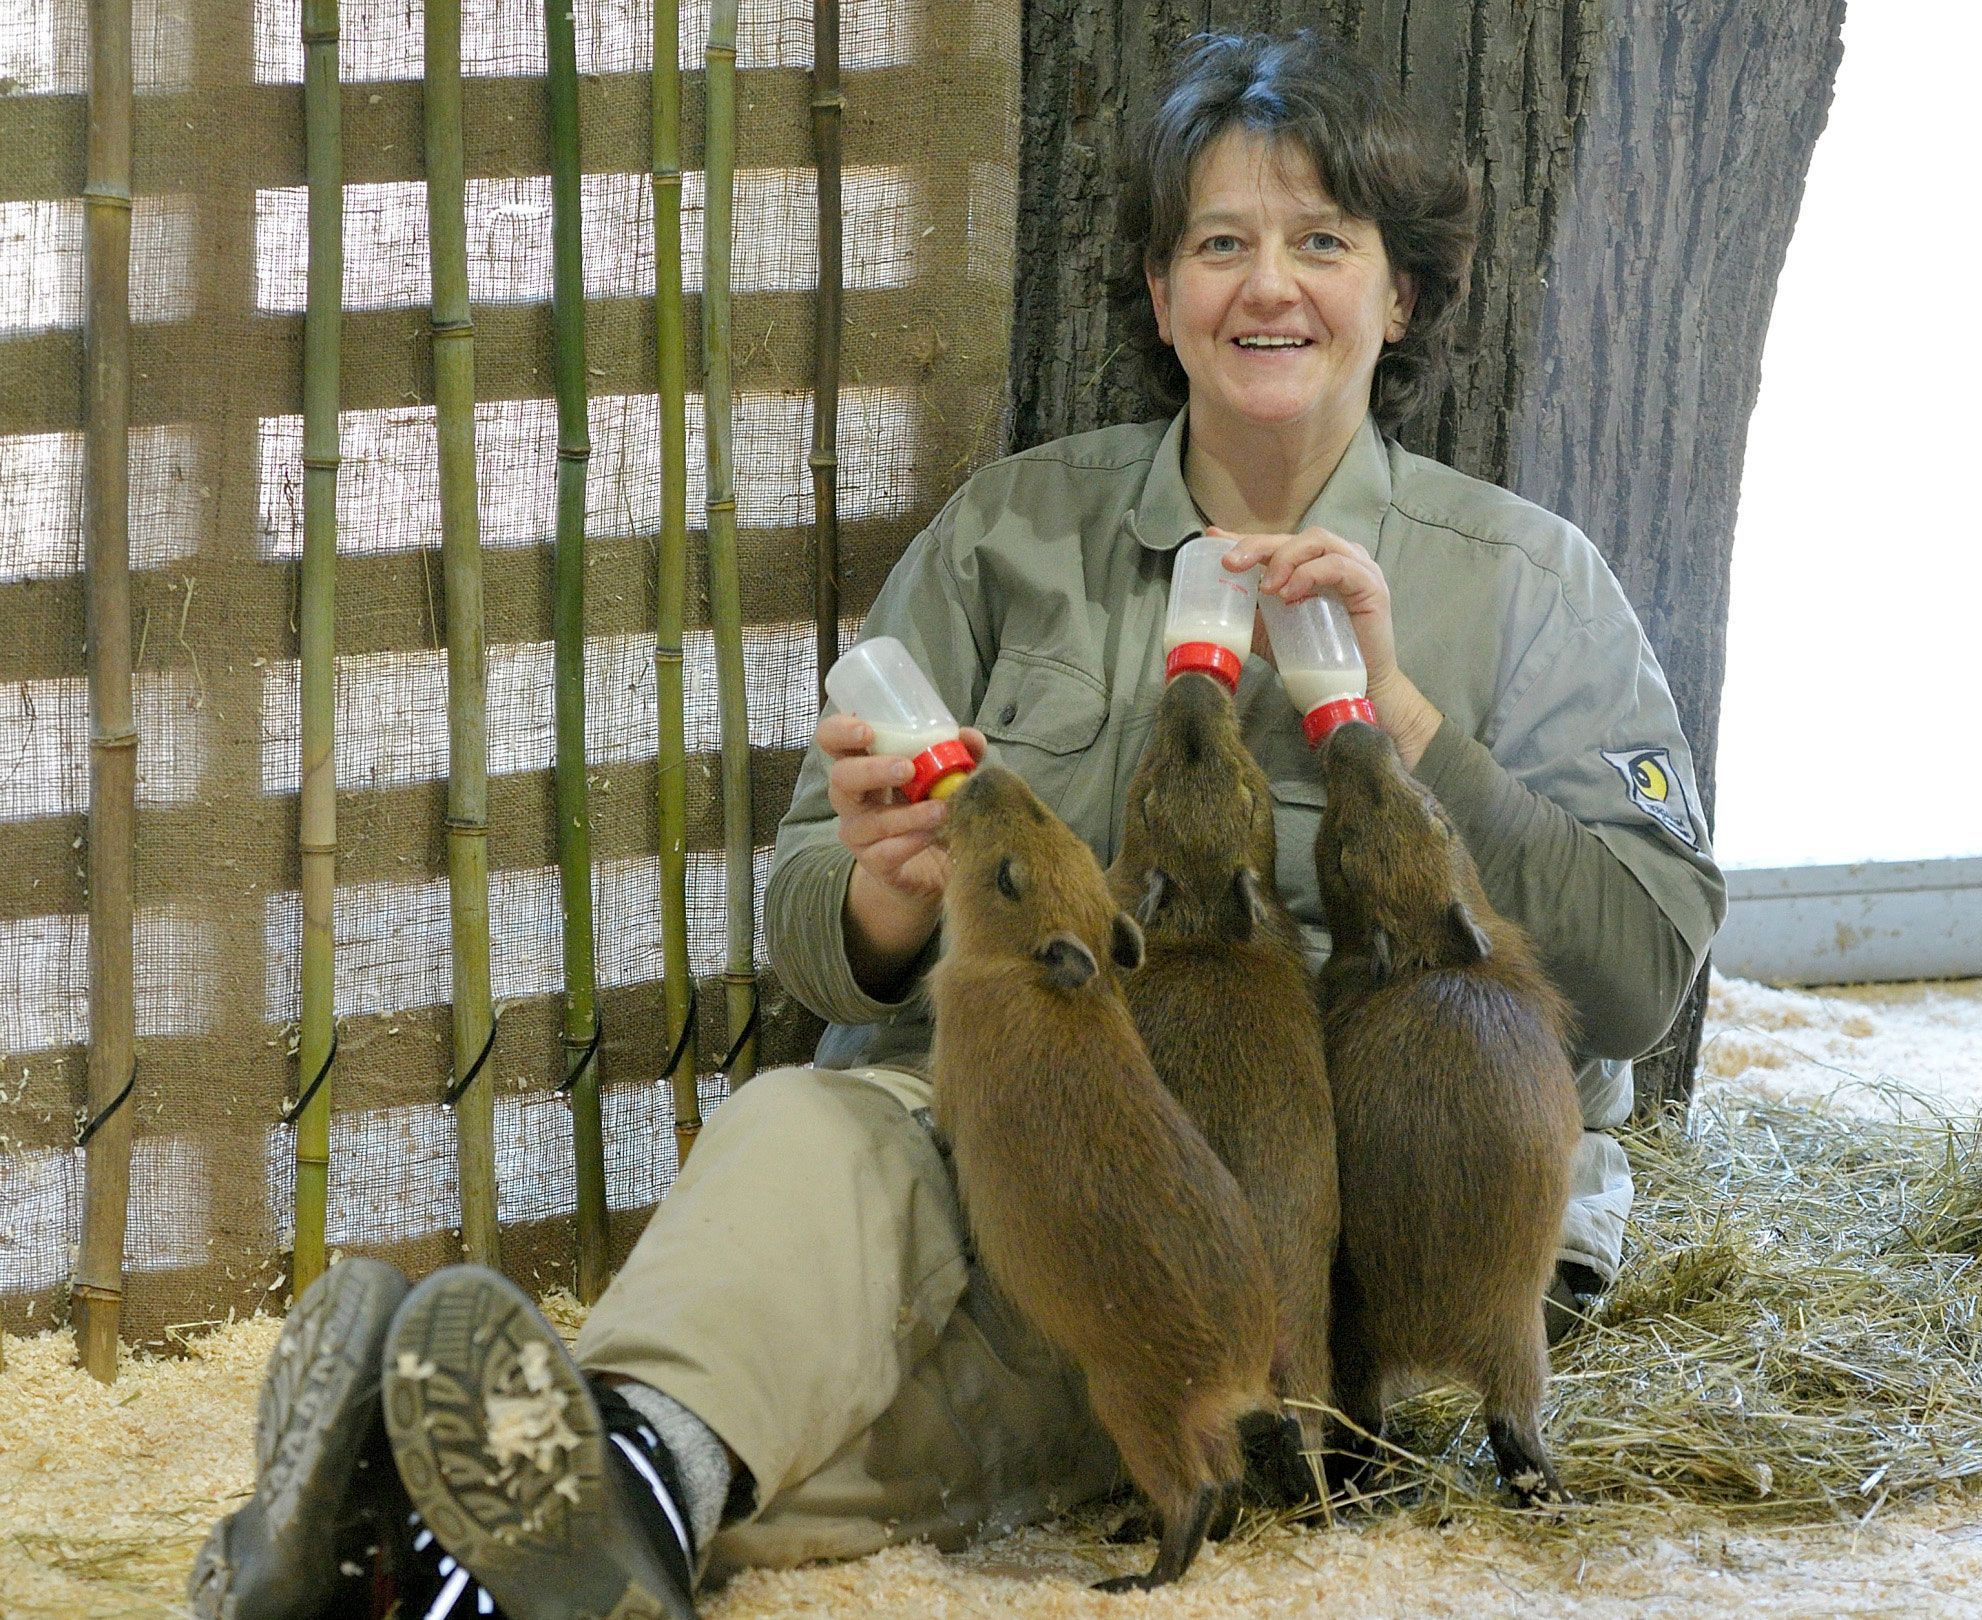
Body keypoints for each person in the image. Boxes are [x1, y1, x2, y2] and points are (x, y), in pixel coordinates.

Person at [191, 30, 1723, 1620]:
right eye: (1220, 243)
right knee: (802, 1137)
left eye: (1322, 242)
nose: (1269, 286)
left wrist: (1401, 722)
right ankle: (532, 1533)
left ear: (1398, 297)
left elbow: (1639, 970)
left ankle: (460, 1548)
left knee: (991, 1372)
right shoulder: (1013, 535)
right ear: (1158, 295)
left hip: (1337, 1240)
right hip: (1025, 1143)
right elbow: (804, 905)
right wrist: (885, 903)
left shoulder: (1533, 584)